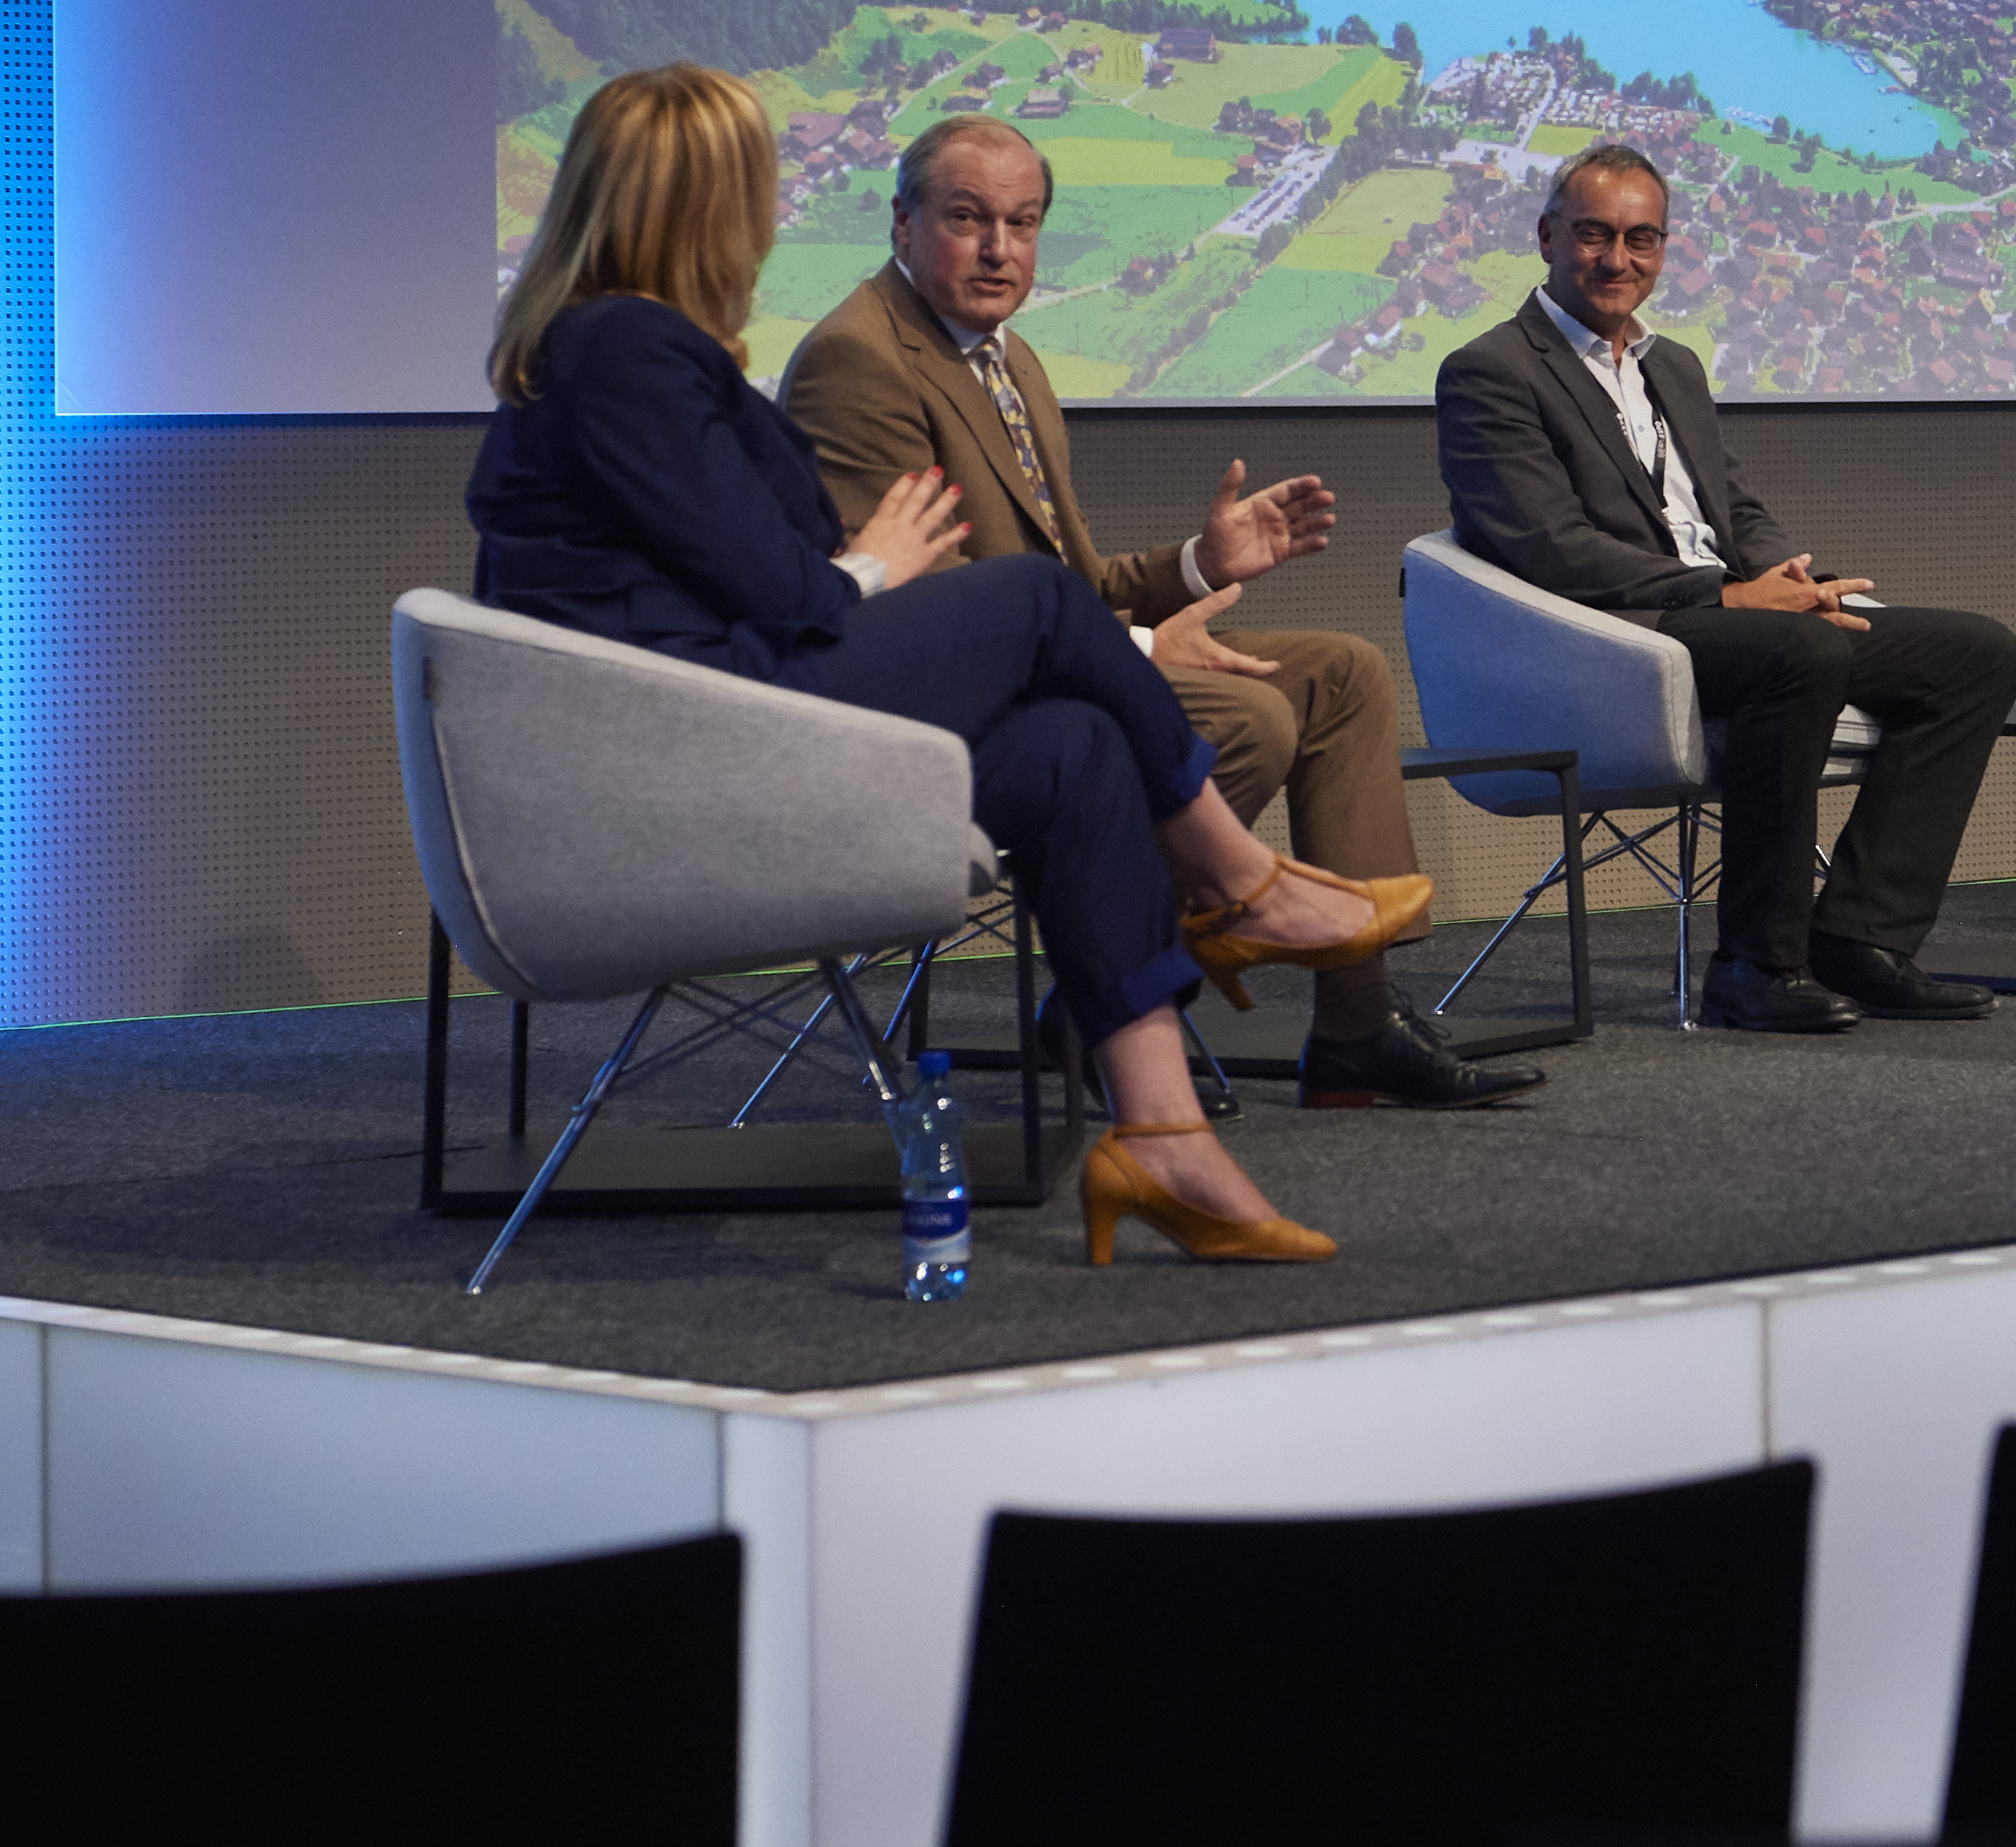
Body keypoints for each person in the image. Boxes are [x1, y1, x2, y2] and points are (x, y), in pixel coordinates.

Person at [466, 64, 1434, 1267]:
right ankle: (1241, 886)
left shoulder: (652, 353)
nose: (777, 217)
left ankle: (1164, 1138)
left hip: (735, 700)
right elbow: (792, 587)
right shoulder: (627, 350)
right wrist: (870, 565)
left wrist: (1176, 572)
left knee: (1080, 752)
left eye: (1020, 222)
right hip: (696, 744)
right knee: (1031, 607)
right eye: (763, 189)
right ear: (702, 204)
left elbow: (771, 569)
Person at [781, 114, 1536, 1111]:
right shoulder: (860, 362)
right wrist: (1139, 645)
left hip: (1058, 665)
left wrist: (1195, 566)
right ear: (903, 224)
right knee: (1248, 714)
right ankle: (1111, 992)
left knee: (1342, 673)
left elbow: (1070, 581)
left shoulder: (1011, 360)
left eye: (1022, 221)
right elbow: (927, 615)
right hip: (954, 715)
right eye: (968, 220)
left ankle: (1356, 1024)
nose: (1000, 249)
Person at [1434, 144, 2016, 1033]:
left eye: (1642, 239)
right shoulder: (1492, 371)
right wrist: (1731, 599)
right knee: (1802, 651)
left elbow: (1736, 508)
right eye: (1594, 234)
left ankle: (1861, 939)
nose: (1617, 259)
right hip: (1613, 635)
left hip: (1728, 617)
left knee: (1976, 655)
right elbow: (1554, 550)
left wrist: (1794, 579)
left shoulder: (1674, 366)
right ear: (1548, 237)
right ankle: (1757, 963)